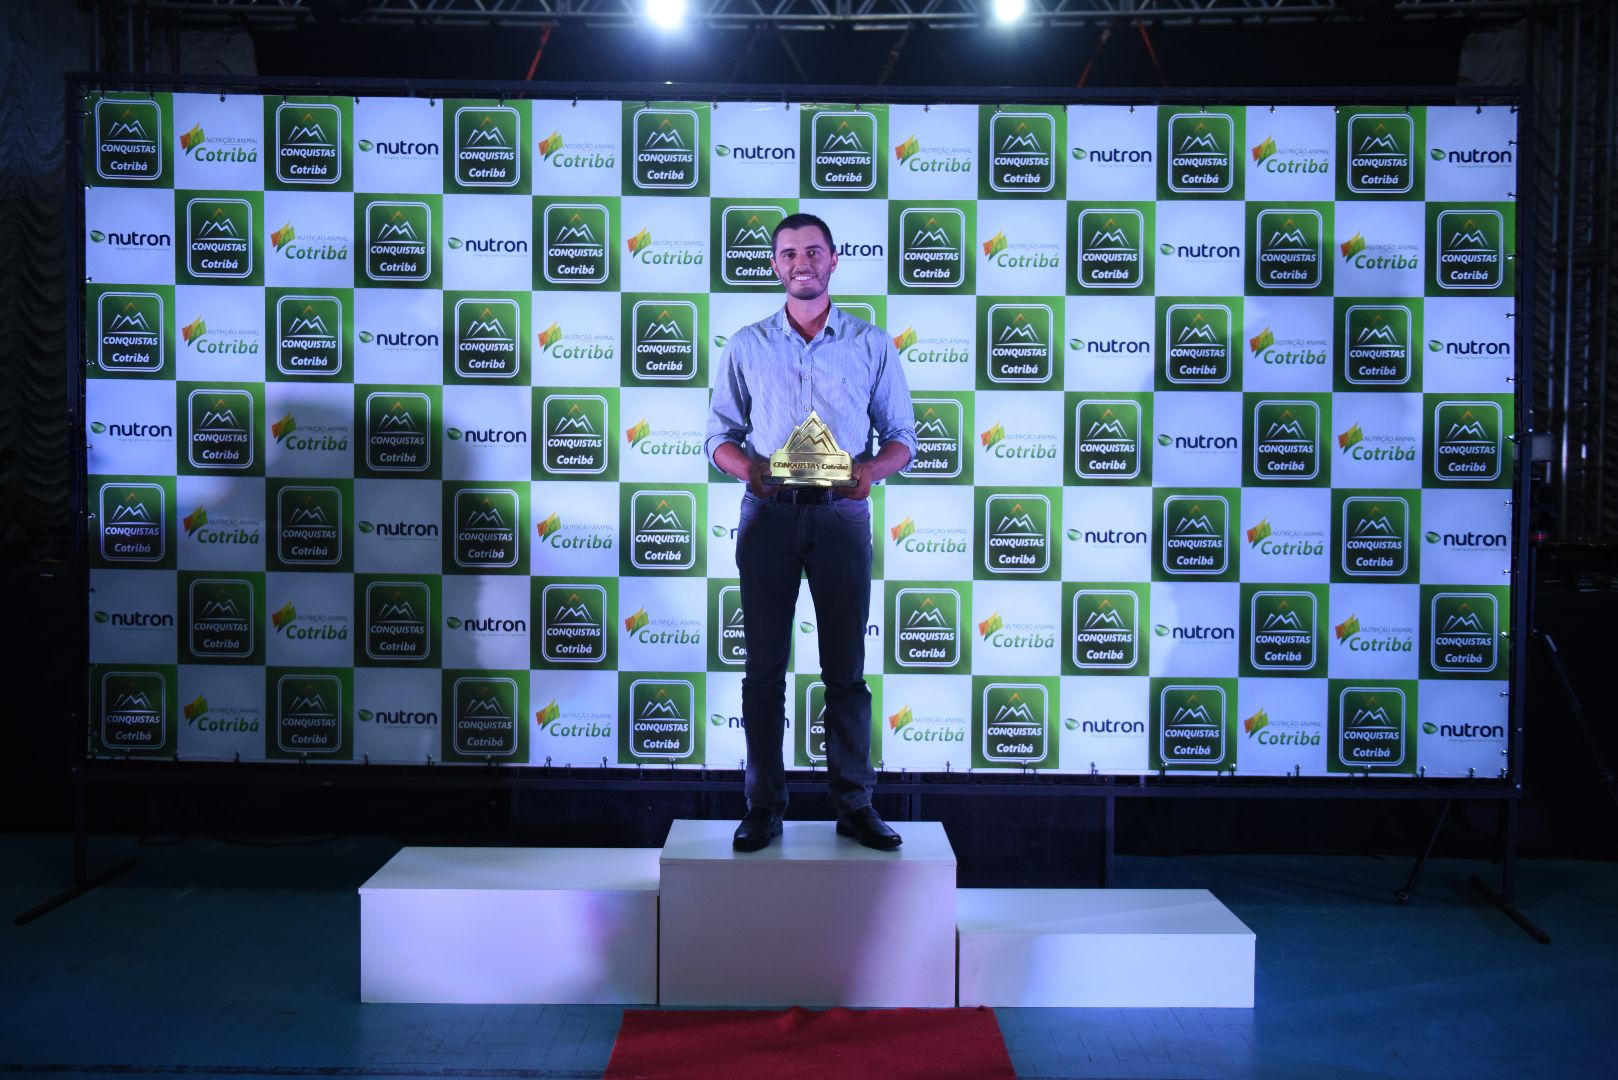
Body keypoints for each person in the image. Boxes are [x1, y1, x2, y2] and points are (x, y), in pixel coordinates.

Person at [704, 213, 917, 853]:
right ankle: (763, 807)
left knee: (845, 670)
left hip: (841, 516)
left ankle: (854, 804)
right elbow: (718, 437)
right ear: (775, 265)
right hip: (768, 515)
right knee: (763, 670)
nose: (802, 263)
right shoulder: (746, 345)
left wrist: (869, 472)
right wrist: (750, 471)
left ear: (833, 260)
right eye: (790, 253)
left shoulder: (871, 343)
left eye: (814, 252)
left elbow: (902, 438)